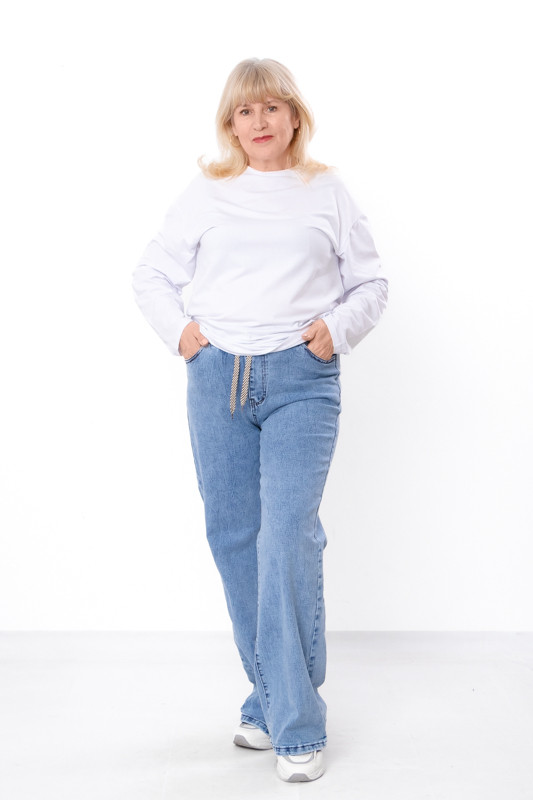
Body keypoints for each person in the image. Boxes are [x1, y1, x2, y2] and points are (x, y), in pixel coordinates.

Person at [132, 57, 388, 783]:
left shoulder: (326, 191)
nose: (259, 121)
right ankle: (270, 696)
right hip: (218, 377)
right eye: (244, 111)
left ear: (295, 117)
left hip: (301, 379)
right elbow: (150, 273)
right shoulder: (207, 192)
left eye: (272, 106)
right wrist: (182, 335)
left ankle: (295, 723)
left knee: (286, 537)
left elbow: (371, 281)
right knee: (234, 538)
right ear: (230, 125)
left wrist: (335, 331)